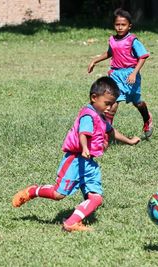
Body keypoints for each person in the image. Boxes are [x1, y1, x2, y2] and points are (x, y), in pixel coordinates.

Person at [12, 77, 140, 232]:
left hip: (89, 163)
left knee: (96, 197)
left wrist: (129, 141)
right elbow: (83, 133)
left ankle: (72, 222)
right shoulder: (88, 115)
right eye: (107, 103)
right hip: (75, 160)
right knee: (58, 194)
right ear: (94, 98)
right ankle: (33, 191)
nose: (110, 107)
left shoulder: (100, 115)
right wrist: (85, 148)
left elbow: (111, 131)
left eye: (112, 104)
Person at [87, 8, 153, 139]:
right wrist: (95, 60)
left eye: (123, 25)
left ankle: (147, 119)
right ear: (114, 25)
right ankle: (106, 133)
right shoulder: (112, 39)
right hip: (115, 75)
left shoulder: (133, 40)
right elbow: (110, 53)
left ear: (129, 26)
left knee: (137, 102)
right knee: (113, 102)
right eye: (117, 24)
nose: (120, 27)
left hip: (130, 75)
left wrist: (134, 73)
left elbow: (143, 56)